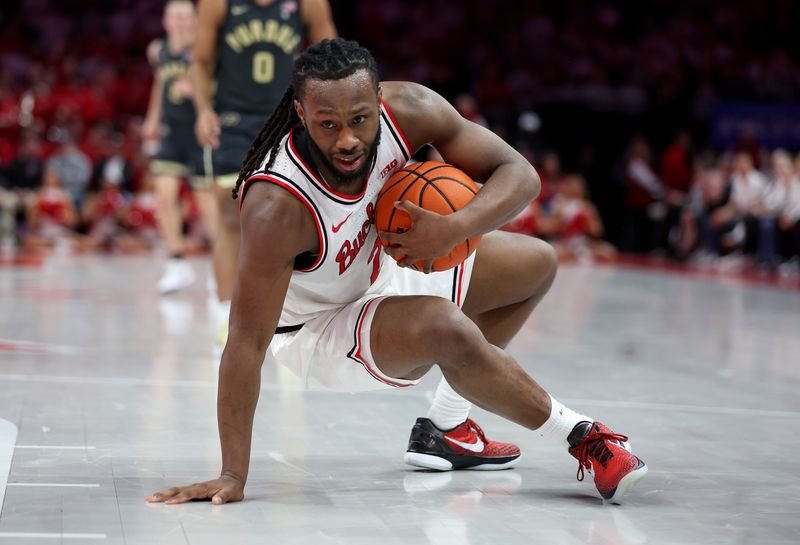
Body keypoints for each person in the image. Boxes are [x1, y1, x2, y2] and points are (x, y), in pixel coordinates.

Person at [147, 39, 647, 507]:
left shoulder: (409, 110)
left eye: (360, 119)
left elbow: (521, 176)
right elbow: (245, 343)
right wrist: (233, 474)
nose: (347, 139)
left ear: (379, 99)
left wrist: (456, 226)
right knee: (444, 326)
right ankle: (583, 438)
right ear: (300, 113)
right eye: (328, 124)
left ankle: (448, 430)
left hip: (382, 266)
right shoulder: (277, 206)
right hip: (317, 330)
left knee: (536, 264)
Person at [189, 0, 337, 341]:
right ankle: (225, 313)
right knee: (229, 217)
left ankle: (293, 315)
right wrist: (202, 110)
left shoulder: (308, 3)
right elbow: (199, 61)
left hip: (286, 118)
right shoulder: (218, 4)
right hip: (231, 121)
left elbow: (331, 59)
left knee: (293, 218)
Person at [142, 0, 211, 294]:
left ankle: (219, 269)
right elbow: (160, 83)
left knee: (209, 207)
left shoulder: (204, 48)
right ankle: (177, 261)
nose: (181, 21)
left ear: (195, 20)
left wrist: (195, 90)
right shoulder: (157, 50)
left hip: (199, 134)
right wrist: (152, 118)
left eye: (186, 16)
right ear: (166, 20)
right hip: (172, 134)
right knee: (164, 195)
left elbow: (218, 86)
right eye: (176, 15)